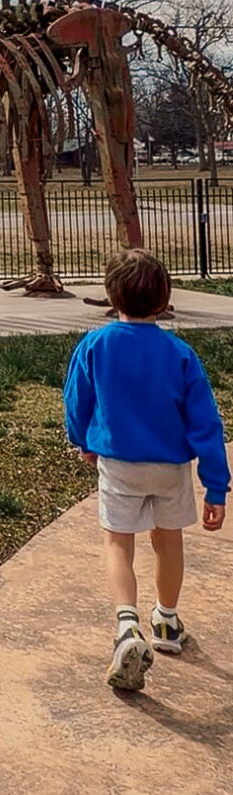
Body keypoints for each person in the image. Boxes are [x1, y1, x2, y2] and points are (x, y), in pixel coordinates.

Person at [63, 247, 227, 693]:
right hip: (171, 466)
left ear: (111, 296)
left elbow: (77, 401)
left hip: (119, 462)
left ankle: (126, 626)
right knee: (167, 539)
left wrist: (82, 440)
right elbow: (206, 421)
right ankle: (167, 623)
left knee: (118, 541)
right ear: (163, 299)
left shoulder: (95, 346)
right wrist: (216, 486)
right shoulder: (179, 353)